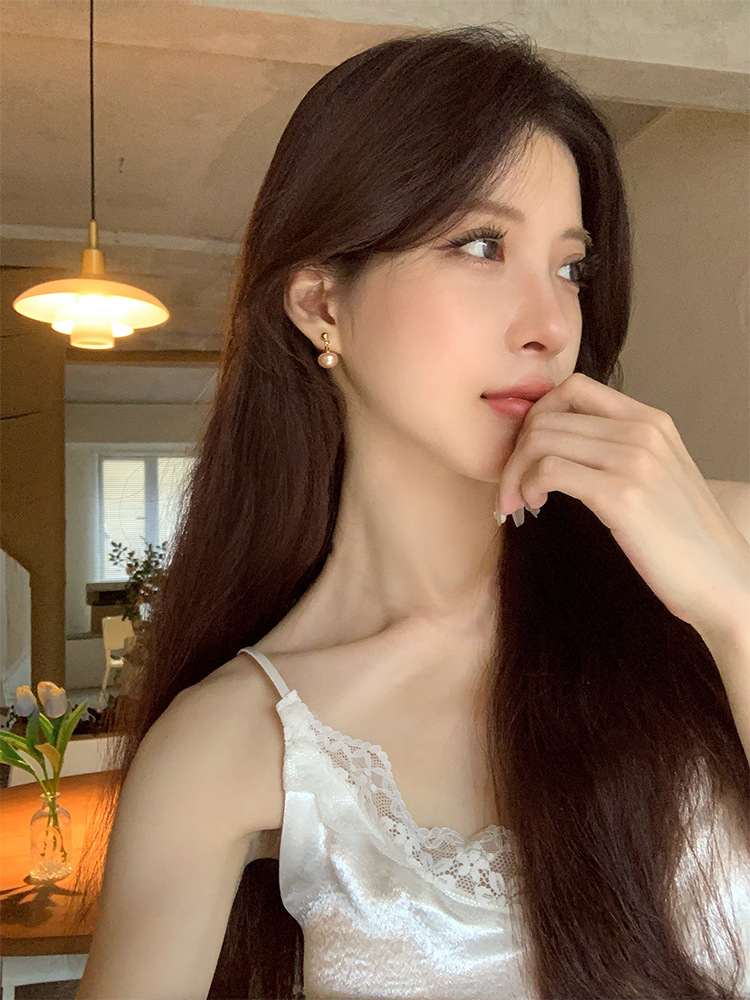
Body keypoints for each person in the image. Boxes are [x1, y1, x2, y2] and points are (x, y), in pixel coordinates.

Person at [74, 24, 750, 1000]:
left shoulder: (720, 543)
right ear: (321, 306)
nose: (551, 325)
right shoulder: (231, 743)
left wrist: (734, 610)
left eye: (571, 268)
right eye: (481, 246)